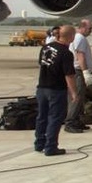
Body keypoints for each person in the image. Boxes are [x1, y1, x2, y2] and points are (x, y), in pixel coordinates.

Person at [35, 24, 78, 156]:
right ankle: (51, 147)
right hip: (56, 89)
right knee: (55, 118)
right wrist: (74, 93)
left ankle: (39, 143)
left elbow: (41, 64)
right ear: (70, 36)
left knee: (42, 116)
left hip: (42, 87)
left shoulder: (45, 47)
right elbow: (69, 75)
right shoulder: (66, 53)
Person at [64, 19, 92, 133]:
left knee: (80, 97)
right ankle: (70, 122)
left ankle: (77, 121)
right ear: (83, 27)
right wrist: (85, 72)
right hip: (78, 71)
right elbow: (80, 56)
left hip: (77, 70)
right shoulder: (80, 38)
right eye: (89, 29)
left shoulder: (77, 38)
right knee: (76, 97)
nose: (91, 31)